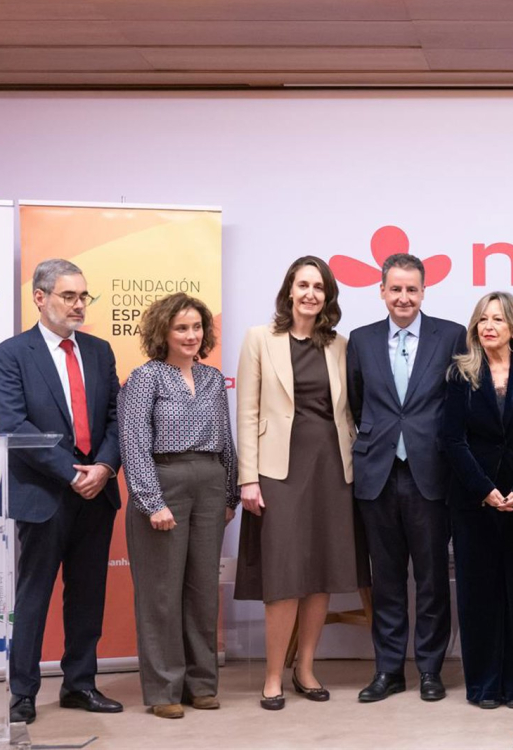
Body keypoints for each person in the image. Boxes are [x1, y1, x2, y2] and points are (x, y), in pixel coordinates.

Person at [234, 256, 369, 710]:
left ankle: (305, 668)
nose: (311, 293)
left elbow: (349, 413)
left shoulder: (341, 345)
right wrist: (248, 478)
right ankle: (273, 674)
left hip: (332, 468)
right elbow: (247, 412)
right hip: (278, 471)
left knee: (322, 573)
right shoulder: (259, 339)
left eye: (319, 287)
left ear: (328, 296)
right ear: (289, 291)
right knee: (285, 575)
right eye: (303, 285)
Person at [0, 258, 125, 724]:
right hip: (43, 494)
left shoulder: (99, 350)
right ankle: (23, 693)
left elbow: (116, 418)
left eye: (82, 296)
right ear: (40, 297)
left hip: (97, 493)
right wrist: (72, 474)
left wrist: (104, 468)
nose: (78, 305)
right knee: (33, 596)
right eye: (68, 296)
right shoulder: (12, 354)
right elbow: (14, 424)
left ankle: (80, 684)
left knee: (88, 593)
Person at [346, 253, 466, 703]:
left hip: (430, 473)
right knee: (387, 579)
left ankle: (431, 670)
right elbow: (357, 402)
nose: (403, 297)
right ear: (381, 291)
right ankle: (388, 670)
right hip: (377, 473)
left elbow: (458, 401)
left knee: (432, 579)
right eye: (395, 289)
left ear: (423, 291)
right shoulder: (360, 339)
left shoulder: (451, 335)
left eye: (411, 289)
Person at [118, 293, 239, 718]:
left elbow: (226, 440)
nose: (191, 335)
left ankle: (201, 684)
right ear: (163, 333)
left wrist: (229, 495)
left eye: (196, 327)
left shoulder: (212, 378)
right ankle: (164, 690)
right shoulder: (145, 378)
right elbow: (133, 442)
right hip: (164, 481)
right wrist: (152, 501)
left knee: (203, 590)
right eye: (181, 328)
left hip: (210, 484)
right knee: (162, 594)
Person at [440, 292, 513, 709]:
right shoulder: (460, 374)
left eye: (498, 319)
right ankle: (484, 687)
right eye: (483, 319)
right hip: (474, 502)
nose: (489, 326)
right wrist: (484, 489)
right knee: (478, 595)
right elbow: (452, 440)